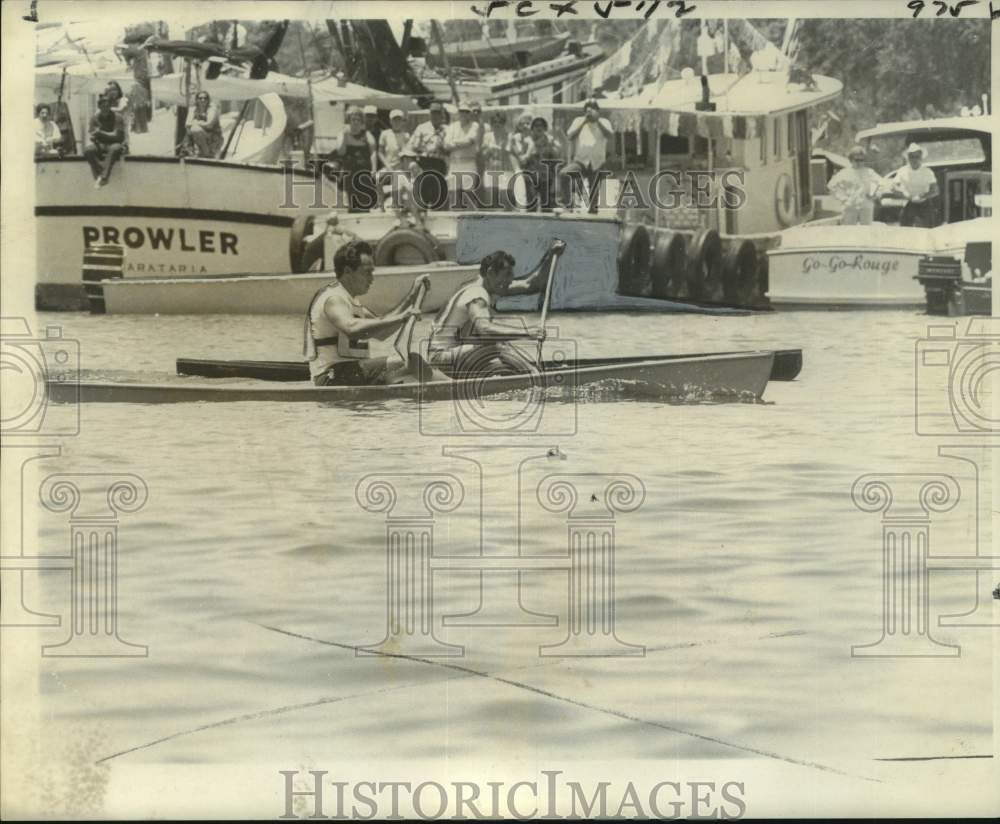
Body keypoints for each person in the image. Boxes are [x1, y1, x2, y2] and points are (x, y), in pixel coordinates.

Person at [304, 240, 429, 386]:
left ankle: (445, 386)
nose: (372, 279)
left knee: (412, 365)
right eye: (367, 272)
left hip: (351, 373)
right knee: (408, 363)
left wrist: (411, 297)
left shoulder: (351, 302)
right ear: (348, 271)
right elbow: (351, 328)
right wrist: (402, 317)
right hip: (330, 376)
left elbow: (384, 331)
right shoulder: (333, 299)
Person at [428, 244, 563, 376]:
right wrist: (528, 333)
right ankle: (536, 376)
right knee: (497, 343)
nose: (511, 280)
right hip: (441, 359)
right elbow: (485, 329)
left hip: (452, 356)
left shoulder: (487, 285)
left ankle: (524, 373)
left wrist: (550, 255)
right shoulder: (477, 294)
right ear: (491, 272)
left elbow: (531, 284)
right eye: (507, 274)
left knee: (502, 360)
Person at [561, 99, 614, 212]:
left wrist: (597, 121)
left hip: (597, 163)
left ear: (598, 111)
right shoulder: (578, 120)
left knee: (594, 197)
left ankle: (593, 218)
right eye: (587, 109)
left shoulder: (604, 122)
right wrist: (584, 121)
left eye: (593, 108)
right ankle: (568, 204)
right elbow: (570, 136)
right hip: (580, 161)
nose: (590, 111)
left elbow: (610, 135)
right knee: (564, 174)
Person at [329, 106, 377, 212]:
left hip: (364, 173)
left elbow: (373, 152)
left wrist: (374, 169)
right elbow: (341, 151)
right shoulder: (342, 133)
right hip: (349, 173)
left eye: (358, 120)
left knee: (365, 201)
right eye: (353, 119)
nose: (355, 122)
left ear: (362, 121)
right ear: (349, 120)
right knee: (351, 202)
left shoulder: (367, 134)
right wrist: (345, 137)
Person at [405, 101, 448, 209]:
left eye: (438, 113)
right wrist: (413, 162)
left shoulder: (447, 129)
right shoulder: (422, 128)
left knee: (438, 196)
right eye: (433, 113)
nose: (435, 116)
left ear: (442, 114)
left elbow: (450, 149)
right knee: (423, 195)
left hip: (439, 164)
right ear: (429, 114)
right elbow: (411, 147)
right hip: (424, 163)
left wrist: (442, 146)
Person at [827, 145, 885, 225]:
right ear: (851, 160)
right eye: (857, 160)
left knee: (866, 230)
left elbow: (882, 183)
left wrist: (875, 194)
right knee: (849, 231)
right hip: (850, 206)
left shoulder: (869, 172)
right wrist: (843, 198)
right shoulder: (844, 172)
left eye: (862, 160)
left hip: (866, 205)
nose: (859, 162)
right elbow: (831, 186)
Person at [519, 117, 563, 211]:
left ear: (545, 128)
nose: (539, 128)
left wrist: (553, 146)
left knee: (547, 207)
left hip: (546, 178)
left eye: (542, 126)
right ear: (532, 128)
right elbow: (522, 160)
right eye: (536, 125)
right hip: (531, 177)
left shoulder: (549, 140)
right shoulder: (527, 141)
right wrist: (530, 150)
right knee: (531, 205)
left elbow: (558, 156)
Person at [443, 101, 481, 209]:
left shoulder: (475, 125)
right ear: (458, 113)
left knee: (469, 194)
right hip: (454, 164)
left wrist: (453, 143)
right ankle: (454, 222)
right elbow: (445, 144)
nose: (463, 114)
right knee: (452, 194)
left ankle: (474, 221)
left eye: (466, 111)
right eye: (461, 111)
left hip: (468, 163)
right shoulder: (452, 126)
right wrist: (460, 143)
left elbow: (469, 141)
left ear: (469, 113)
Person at [84, 94, 126, 187]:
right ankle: (101, 173)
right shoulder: (94, 118)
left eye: (107, 106)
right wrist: (93, 136)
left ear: (110, 106)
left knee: (115, 148)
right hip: (100, 144)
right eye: (103, 106)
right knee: (88, 150)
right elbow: (92, 133)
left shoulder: (118, 117)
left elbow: (117, 135)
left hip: (115, 143)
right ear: (99, 107)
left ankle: (103, 177)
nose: (106, 108)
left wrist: (100, 133)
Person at [893, 143, 939, 227]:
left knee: (927, 231)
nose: (914, 159)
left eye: (917, 156)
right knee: (904, 229)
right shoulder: (902, 171)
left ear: (921, 158)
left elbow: (935, 190)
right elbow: (893, 187)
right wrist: (904, 193)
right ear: (908, 158)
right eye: (912, 157)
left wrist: (922, 196)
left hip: (925, 204)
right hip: (909, 203)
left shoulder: (927, 172)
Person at [377, 109, 411, 208]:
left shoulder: (406, 135)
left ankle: (401, 205)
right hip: (388, 166)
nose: (397, 122)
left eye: (399, 120)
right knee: (377, 179)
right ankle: (381, 205)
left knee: (405, 185)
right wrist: (387, 166)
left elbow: (408, 153)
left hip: (401, 167)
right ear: (390, 121)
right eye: (394, 120)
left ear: (402, 121)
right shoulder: (385, 134)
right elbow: (380, 152)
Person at [185, 91, 223, 158]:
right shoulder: (193, 109)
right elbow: (187, 124)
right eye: (200, 98)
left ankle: (207, 154)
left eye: (205, 98)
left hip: (213, 138)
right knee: (191, 130)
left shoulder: (212, 109)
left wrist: (196, 122)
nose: (203, 100)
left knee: (195, 128)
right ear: (196, 100)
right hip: (199, 138)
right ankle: (196, 150)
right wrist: (201, 124)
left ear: (208, 100)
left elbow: (209, 124)